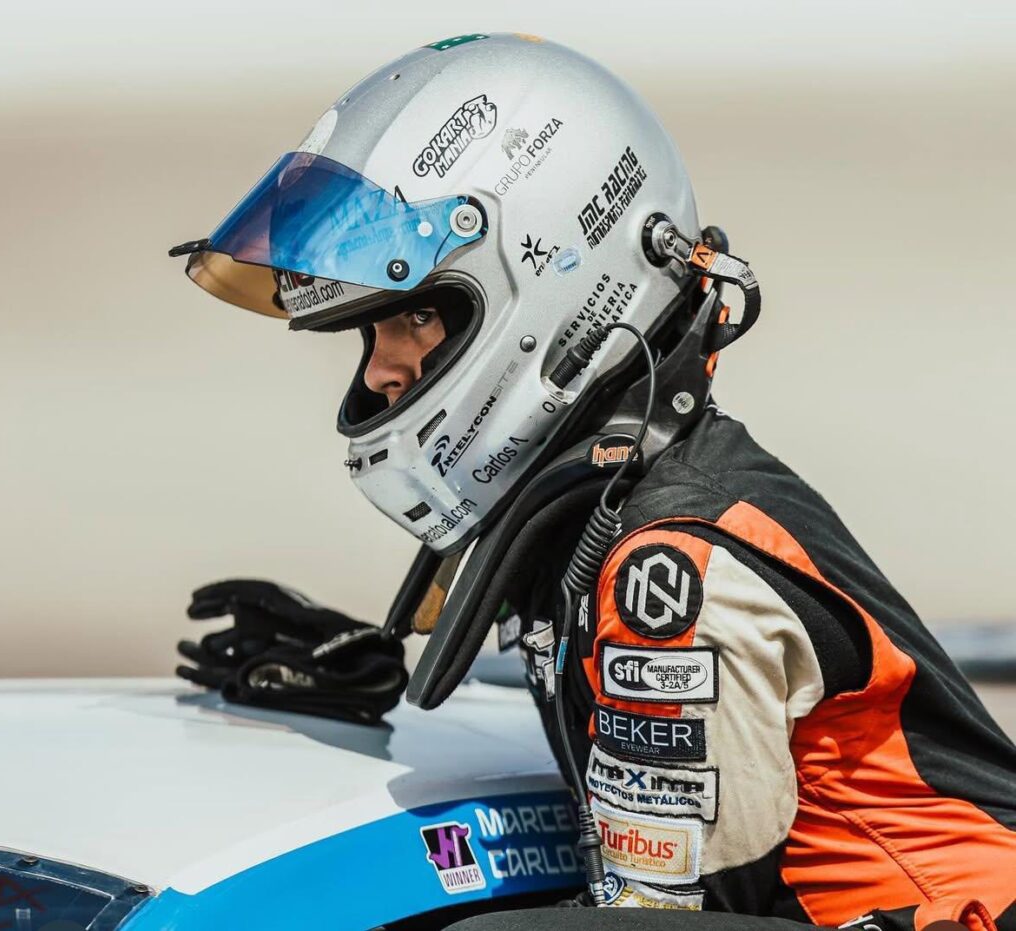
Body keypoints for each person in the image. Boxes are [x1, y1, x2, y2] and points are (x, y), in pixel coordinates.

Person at [168, 33, 1016, 930]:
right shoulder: (598, 506)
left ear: (545, 285)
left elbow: (657, 910)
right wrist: (366, 688)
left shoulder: (673, 563)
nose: (380, 371)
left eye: (412, 318)